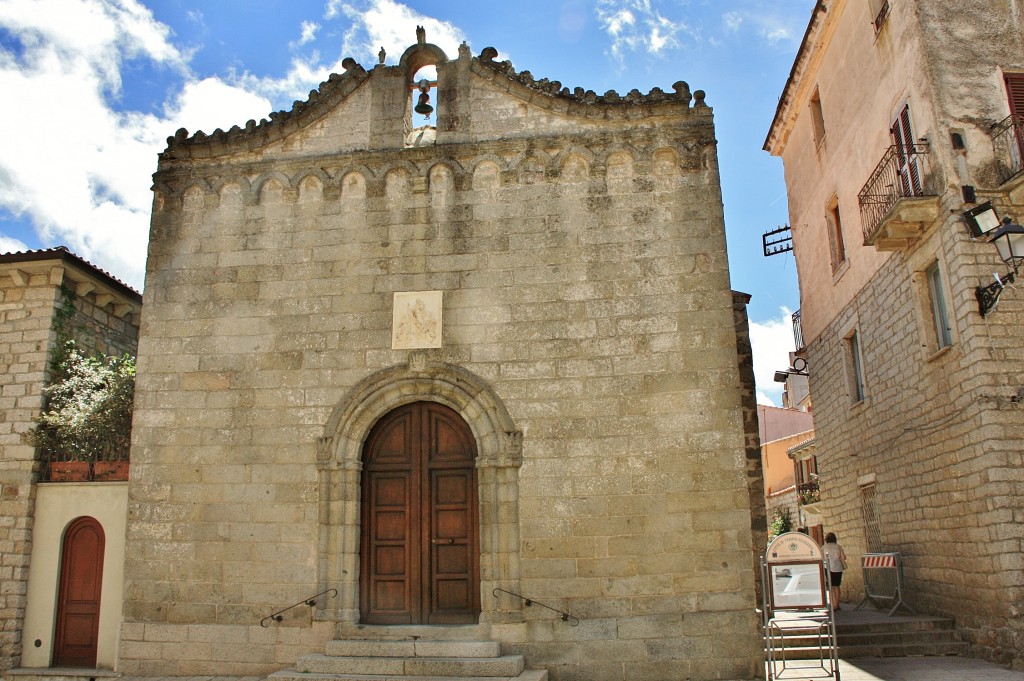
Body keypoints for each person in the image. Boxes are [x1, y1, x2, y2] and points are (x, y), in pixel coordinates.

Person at [822, 532, 848, 610]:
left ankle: (832, 603)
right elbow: (844, 557)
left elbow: (821, 558)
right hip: (838, 568)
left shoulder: (823, 547)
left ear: (826, 539)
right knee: (837, 586)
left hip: (828, 568)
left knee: (830, 586)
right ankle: (837, 604)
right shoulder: (838, 546)